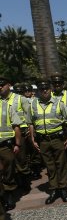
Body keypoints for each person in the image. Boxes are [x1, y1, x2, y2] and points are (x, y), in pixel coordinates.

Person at [27, 80, 67, 204]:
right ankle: (54, 189)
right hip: (43, 140)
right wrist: (32, 138)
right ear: (38, 91)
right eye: (41, 89)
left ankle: (63, 189)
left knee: (61, 164)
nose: (44, 91)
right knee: (50, 166)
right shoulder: (33, 104)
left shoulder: (59, 103)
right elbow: (30, 122)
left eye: (46, 88)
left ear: (50, 89)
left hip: (57, 139)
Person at [0, 76, 23, 210]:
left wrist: (17, 144)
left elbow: (16, 126)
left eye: (2, 85)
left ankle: (9, 194)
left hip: (5, 145)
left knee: (8, 170)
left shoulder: (6, 106)